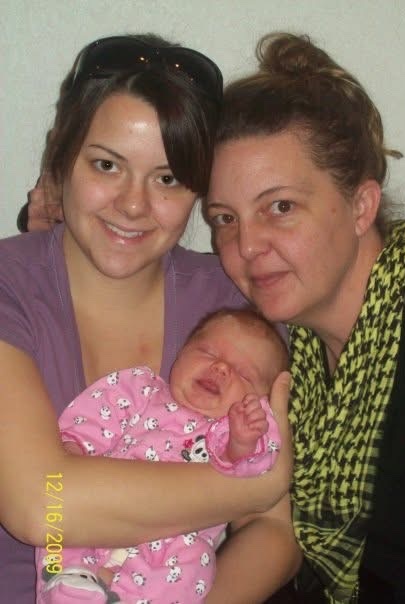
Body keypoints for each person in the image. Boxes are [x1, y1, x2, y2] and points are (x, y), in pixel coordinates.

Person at [0, 33, 300, 604]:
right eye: (106, 165)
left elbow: (273, 533)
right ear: (62, 157)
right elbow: (41, 504)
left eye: (167, 179)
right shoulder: (9, 285)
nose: (134, 205)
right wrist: (254, 484)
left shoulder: (232, 305)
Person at [206, 33, 405, 604]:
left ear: (361, 206)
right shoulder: (285, 343)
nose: (247, 246)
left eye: (280, 207)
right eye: (224, 218)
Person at [36, 308, 288, 603]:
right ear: (180, 353)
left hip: (174, 540)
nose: (221, 368)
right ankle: (67, 584)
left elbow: (251, 469)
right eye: (207, 352)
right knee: (58, 514)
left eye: (244, 374)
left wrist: (244, 441)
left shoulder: (229, 434)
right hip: (102, 507)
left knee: (198, 561)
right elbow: (94, 418)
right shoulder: (141, 390)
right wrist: (75, 448)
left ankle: (132, 598)